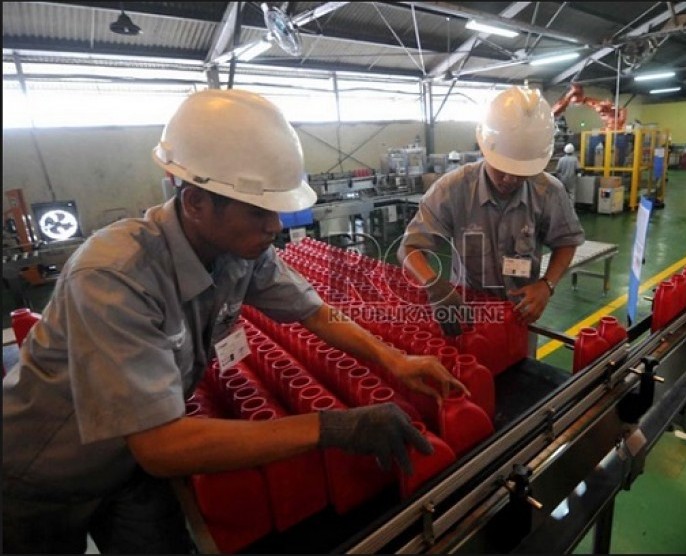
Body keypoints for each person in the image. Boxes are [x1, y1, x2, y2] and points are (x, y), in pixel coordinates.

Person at [2, 89, 466, 554]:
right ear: (195, 202)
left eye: (276, 210)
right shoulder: (113, 277)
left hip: (127, 470)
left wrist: (396, 359)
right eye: (257, 211)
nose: (275, 226)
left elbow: (312, 310)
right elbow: (160, 445)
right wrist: (335, 427)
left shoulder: (239, 251)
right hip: (43, 472)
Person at [397, 85, 585, 340]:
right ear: (486, 149)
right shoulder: (453, 189)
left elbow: (567, 241)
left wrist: (546, 285)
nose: (509, 179)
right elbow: (409, 248)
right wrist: (433, 284)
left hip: (520, 317)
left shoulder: (548, 192)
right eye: (502, 168)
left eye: (520, 174)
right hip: (467, 315)